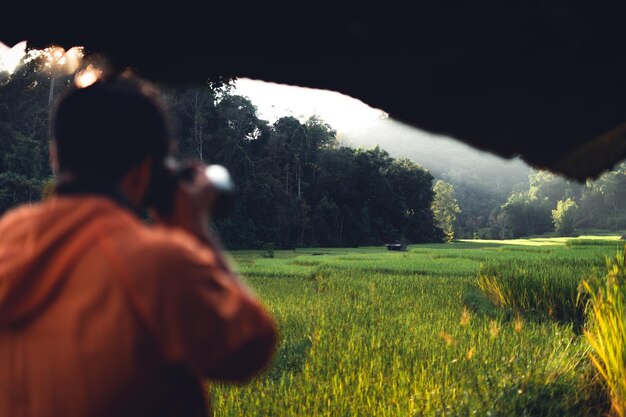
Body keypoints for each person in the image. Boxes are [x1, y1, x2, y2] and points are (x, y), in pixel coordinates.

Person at [0, 69, 277, 416]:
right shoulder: (156, 263)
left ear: (56, 155)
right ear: (145, 171)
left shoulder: (9, 235)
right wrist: (195, 228)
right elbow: (250, 347)